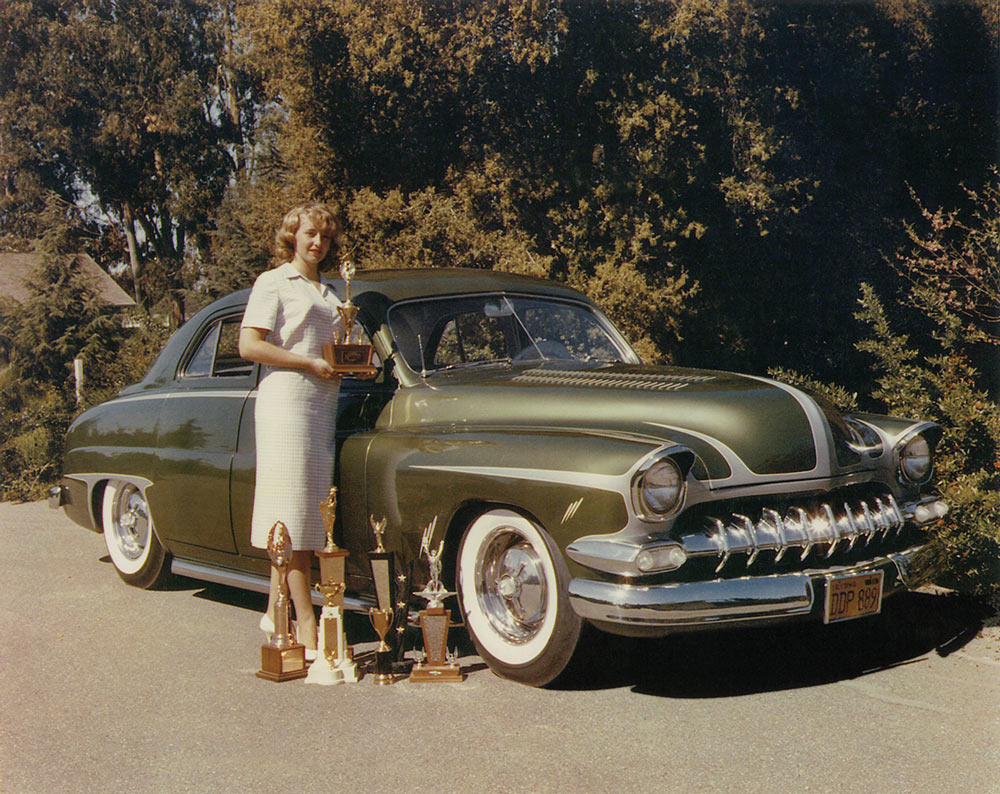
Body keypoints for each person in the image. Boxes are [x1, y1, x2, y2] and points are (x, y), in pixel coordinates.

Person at [238, 202, 350, 660]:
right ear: (292, 237)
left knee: (306, 510)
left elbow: (337, 351)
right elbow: (249, 345)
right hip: (286, 403)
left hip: (321, 406)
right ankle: (306, 620)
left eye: (324, 236)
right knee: (292, 512)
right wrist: (307, 363)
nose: (317, 243)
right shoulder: (273, 281)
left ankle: (274, 611)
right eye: (309, 234)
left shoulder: (332, 292)